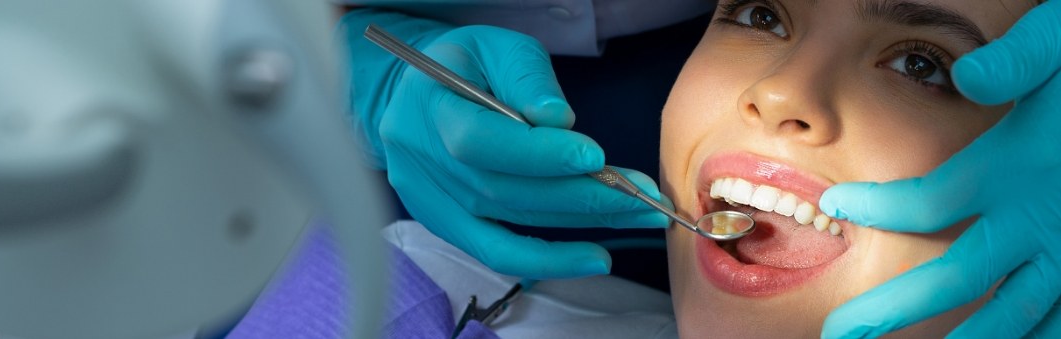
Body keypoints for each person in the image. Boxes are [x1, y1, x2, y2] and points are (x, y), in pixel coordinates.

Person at [341, 0, 1060, 336]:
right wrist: (344, 70)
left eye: (918, 65)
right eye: (760, 15)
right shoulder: (395, 303)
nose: (777, 91)